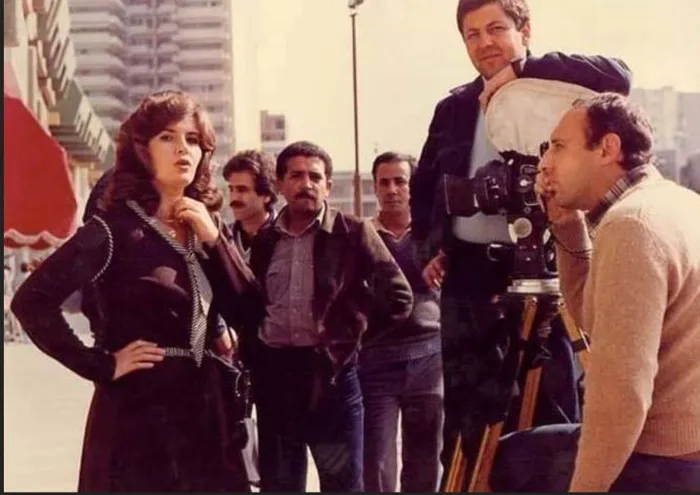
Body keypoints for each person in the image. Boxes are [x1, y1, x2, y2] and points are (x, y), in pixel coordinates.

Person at [410, 0, 634, 484]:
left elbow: (620, 76)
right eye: (472, 34)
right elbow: (424, 185)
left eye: (496, 29)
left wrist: (522, 72)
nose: (484, 43)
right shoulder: (453, 108)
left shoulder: (562, 91)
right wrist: (428, 249)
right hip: (468, 282)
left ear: (525, 29)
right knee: (466, 420)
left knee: (552, 413)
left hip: (547, 274)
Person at [11, 90, 260, 492]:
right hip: (138, 419)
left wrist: (216, 242)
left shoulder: (210, 228)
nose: (182, 149)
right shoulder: (113, 230)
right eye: (167, 137)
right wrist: (100, 365)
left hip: (207, 419)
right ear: (143, 150)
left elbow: (251, 312)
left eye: (193, 139)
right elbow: (31, 302)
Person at [491, 92, 700, 492]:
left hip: (661, 458)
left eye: (559, 146)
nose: (545, 163)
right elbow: (596, 319)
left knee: (505, 462)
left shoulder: (631, 225)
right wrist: (568, 225)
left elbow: (621, 395)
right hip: (685, 445)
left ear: (607, 148)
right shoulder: (679, 202)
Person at [239, 140, 413, 492]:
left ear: (328, 185)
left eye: (315, 177)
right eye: (296, 176)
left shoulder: (353, 232)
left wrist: (349, 340)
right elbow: (252, 304)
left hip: (331, 380)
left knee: (342, 485)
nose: (306, 184)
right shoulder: (265, 240)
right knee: (280, 486)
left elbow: (399, 297)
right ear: (280, 184)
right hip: (276, 381)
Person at [359, 152, 444, 492]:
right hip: (377, 362)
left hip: (429, 360)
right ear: (375, 187)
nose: (392, 189)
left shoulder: (435, 237)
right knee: (377, 464)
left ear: (413, 187)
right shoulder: (361, 235)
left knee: (425, 462)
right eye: (384, 182)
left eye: (400, 181)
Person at [222, 149, 278, 262]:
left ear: (266, 195)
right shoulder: (222, 238)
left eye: (242, 190)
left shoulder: (285, 239)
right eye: (231, 189)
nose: (234, 198)